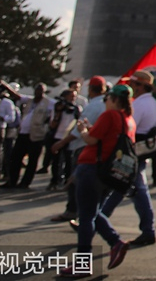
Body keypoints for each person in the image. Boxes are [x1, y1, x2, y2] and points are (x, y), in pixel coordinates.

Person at [62, 83, 135, 278]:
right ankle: (115, 242)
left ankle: (83, 262)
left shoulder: (109, 115)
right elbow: (108, 139)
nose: (105, 102)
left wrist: (83, 130)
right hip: (109, 172)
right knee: (93, 212)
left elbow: (91, 140)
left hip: (92, 167)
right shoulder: (128, 120)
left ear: (114, 99)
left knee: (86, 216)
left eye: (107, 98)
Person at [100, 71, 156, 248]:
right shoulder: (152, 103)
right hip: (139, 150)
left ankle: (98, 219)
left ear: (141, 86)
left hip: (132, 150)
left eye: (134, 84)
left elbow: (129, 127)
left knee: (128, 187)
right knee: (122, 187)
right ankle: (99, 219)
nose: (131, 88)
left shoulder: (140, 104)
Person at [52, 76, 108, 224]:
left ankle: (74, 212)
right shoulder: (104, 104)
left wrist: (61, 143)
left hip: (84, 146)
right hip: (97, 148)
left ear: (90, 89)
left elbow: (79, 129)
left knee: (76, 181)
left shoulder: (93, 106)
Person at [2, 83, 52, 189]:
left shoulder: (49, 103)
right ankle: (12, 180)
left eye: (40, 90)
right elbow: (17, 96)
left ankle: (25, 182)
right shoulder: (29, 100)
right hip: (23, 133)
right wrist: (5, 85)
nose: (38, 92)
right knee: (15, 158)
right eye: (37, 90)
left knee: (32, 160)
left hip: (36, 135)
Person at [48, 88, 81, 190]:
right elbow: (52, 125)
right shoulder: (57, 107)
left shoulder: (76, 108)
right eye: (71, 96)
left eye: (74, 97)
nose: (73, 99)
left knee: (68, 160)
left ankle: (67, 180)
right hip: (58, 136)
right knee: (56, 161)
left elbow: (78, 121)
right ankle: (55, 180)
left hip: (69, 137)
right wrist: (59, 112)